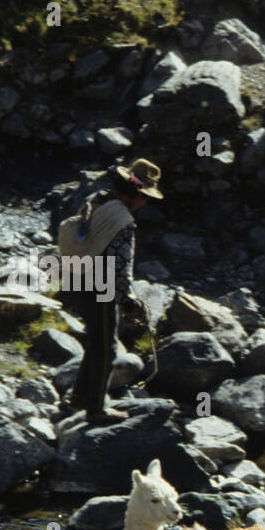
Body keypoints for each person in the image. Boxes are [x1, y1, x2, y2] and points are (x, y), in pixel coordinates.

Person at [58, 158, 163, 423]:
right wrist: (128, 299)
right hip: (99, 285)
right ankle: (96, 409)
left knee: (95, 341)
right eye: (144, 197)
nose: (144, 203)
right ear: (135, 193)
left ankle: (80, 396)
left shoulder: (97, 199)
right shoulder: (123, 221)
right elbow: (120, 265)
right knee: (107, 349)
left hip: (76, 278)